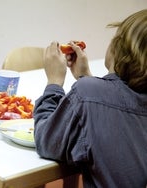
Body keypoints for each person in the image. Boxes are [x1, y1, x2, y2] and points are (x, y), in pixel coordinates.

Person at [33, 9, 147, 188]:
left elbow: (46, 141)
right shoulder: (91, 92)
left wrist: (54, 82)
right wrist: (87, 78)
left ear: (120, 50)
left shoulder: (88, 93)